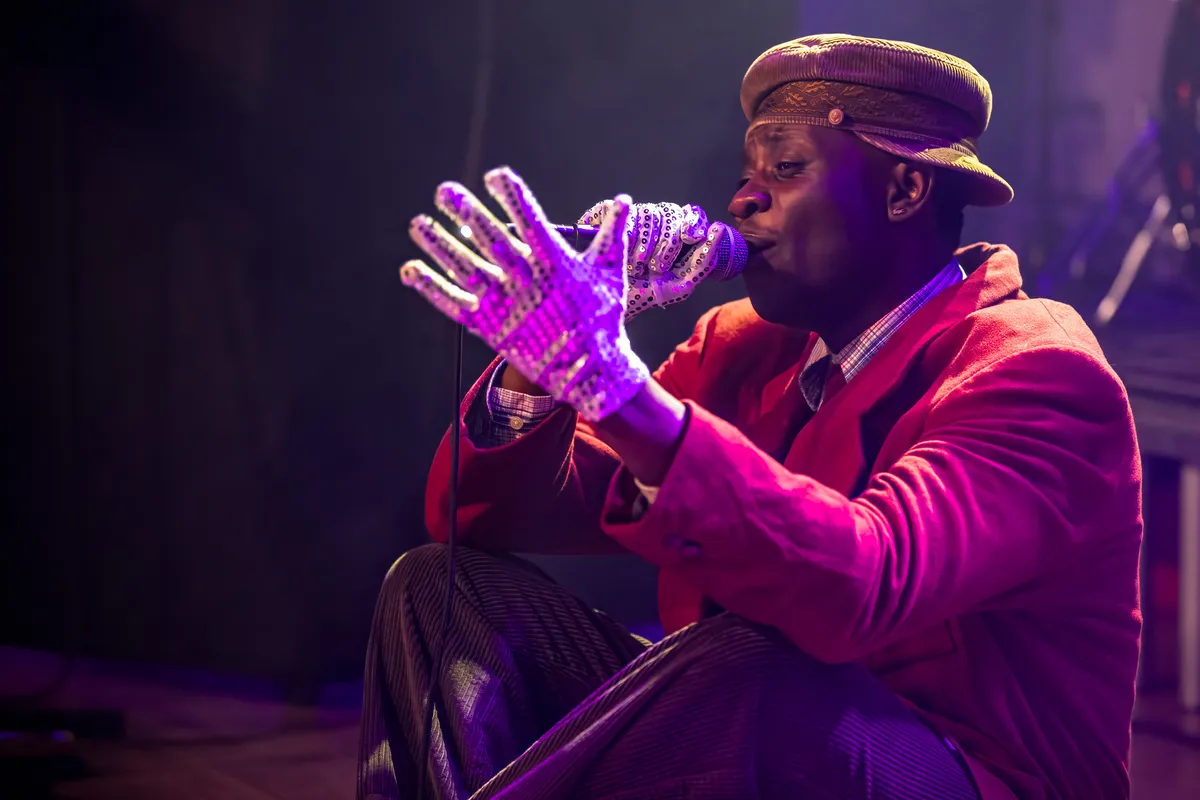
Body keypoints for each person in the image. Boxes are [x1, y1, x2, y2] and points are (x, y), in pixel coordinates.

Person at [358, 34, 1143, 800]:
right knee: (437, 589)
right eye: (747, 174)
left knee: (758, 662)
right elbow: (481, 516)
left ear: (904, 191)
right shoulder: (740, 345)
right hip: (773, 729)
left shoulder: (1036, 368)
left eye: (786, 168)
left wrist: (614, 386)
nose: (742, 199)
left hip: (962, 771)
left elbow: (864, 584)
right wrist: (545, 355)